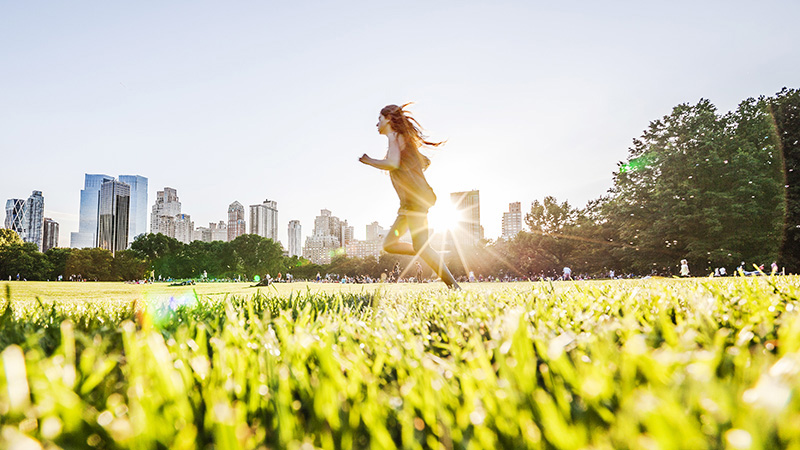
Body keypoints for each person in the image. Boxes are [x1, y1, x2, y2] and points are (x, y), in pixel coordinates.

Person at [359, 103, 460, 290]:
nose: (376, 124)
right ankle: (426, 251)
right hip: (409, 203)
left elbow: (392, 162)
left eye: (379, 119)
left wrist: (369, 161)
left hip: (414, 203)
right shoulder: (402, 139)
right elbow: (424, 161)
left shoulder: (394, 136)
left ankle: (452, 285)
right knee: (389, 244)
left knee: (420, 247)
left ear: (388, 119)